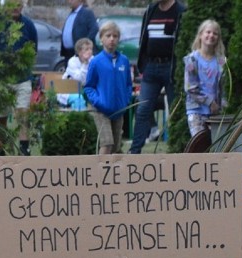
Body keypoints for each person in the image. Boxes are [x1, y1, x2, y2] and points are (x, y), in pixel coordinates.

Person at [128, 0, 186, 154]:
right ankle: (134, 151)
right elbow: (144, 39)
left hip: (171, 68)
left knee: (175, 110)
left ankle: (177, 149)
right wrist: (144, 65)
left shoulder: (180, 11)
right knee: (142, 109)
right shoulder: (150, 10)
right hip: (151, 68)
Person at [0, 0, 38, 156]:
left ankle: (24, 148)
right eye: (12, 3)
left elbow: (34, 51)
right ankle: (1, 148)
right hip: (2, 79)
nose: (15, 7)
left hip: (22, 78)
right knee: (0, 117)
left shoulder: (29, 25)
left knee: (23, 114)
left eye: (18, 4)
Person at [84, 21, 133, 155]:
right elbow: (89, 87)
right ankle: (100, 174)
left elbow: (128, 84)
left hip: (119, 109)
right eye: (108, 35)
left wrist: (125, 101)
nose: (112, 39)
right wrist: (98, 102)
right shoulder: (96, 61)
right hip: (100, 109)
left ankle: (115, 174)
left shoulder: (124, 61)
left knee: (116, 147)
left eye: (115, 36)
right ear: (101, 39)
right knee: (107, 142)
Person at [183, 20, 227, 137]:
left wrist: (222, 106)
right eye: (208, 32)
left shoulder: (221, 61)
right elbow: (190, 88)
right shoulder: (191, 60)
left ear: (218, 38)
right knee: (201, 145)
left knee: (216, 146)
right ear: (201, 35)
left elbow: (224, 87)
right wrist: (209, 102)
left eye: (215, 33)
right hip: (197, 111)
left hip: (215, 112)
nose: (211, 35)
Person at [60, 0, 98, 65]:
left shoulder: (87, 13)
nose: (69, 1)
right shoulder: (71, 14)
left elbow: (94, 29)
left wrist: (85, 44)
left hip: (80, 54)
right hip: (68, 54)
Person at [60, 37, 93, 109]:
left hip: (86, 89)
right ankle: (80, 118)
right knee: (79, 99)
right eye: (87, 49)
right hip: (69, 90)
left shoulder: (93, 59)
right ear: (79, 51)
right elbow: (80, 80)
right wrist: (85, 63)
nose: (90, 51)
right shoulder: (72, 61)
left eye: (91, 49)